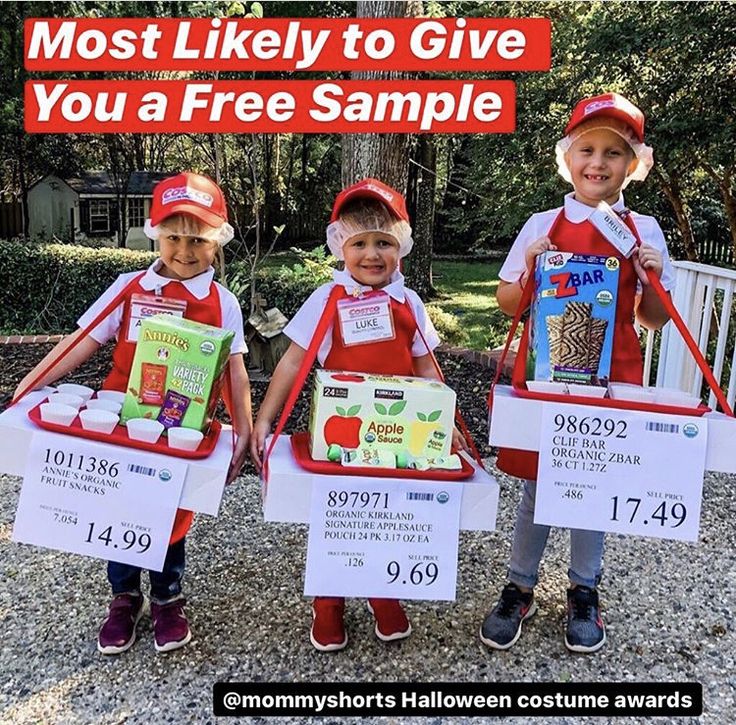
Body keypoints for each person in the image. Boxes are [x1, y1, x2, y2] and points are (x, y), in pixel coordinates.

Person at [15, 172, 252, 655]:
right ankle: (124, 597)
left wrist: (245, 431)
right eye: (172, 237)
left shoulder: (221, 301)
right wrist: (31, 382)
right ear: (155, 234)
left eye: (197, 239)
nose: (184, 251)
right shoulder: (128, 287)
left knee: (169, 517)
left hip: (181, 433)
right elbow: (83, 342)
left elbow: (234, 372)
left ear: (216, 242)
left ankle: (168, 597)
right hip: (121, 425)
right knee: (118, 510)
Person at [481, 93, 675, 653]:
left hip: (612, 374)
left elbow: (652, 318)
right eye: (587, 149)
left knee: (595, 485)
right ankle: (520, 584)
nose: (599, 162)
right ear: (568, 158)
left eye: (614, 152)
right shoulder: (542, 223)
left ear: (633, 164)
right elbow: (507, 301)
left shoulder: (644, 228)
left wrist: (653, 277)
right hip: (549, 372)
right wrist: (532, 267)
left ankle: (584, 590)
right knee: (540, 483)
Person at [251, 177, 464, 652]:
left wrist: (447, 423)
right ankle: (328, 599)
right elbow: (293, 360)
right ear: (340, 248)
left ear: (401, 246)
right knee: (337, 515)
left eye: (384, 242)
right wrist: (265, 418)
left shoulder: (408, 302)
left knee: (390, 514)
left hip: (401, 433)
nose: (372, 254)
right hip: (342, 433)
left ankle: (381, 588)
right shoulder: (327, 300)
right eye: (360, 242)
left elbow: (427, 362)